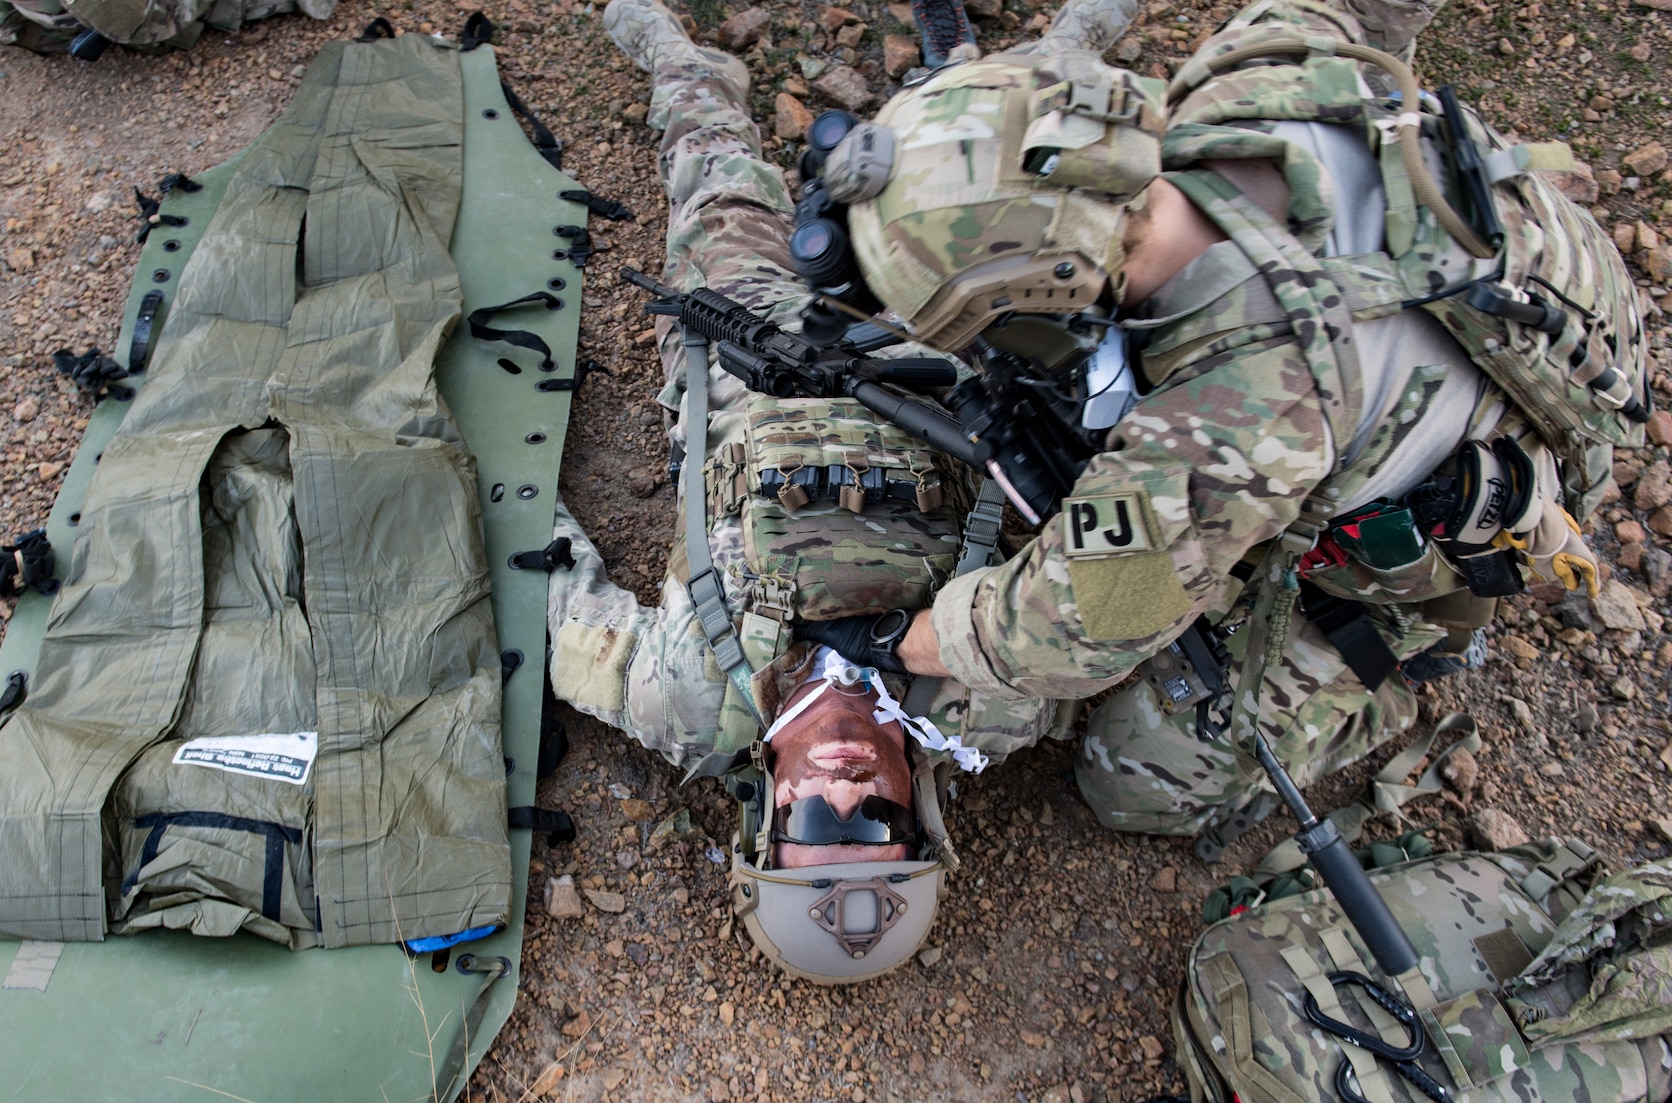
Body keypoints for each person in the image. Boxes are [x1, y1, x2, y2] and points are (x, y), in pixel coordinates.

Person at [548, 0, 1647, 980]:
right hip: (1503, 351)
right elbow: (1106, 600)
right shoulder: (1014, 691)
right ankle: (1038, 60)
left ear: (765, 817)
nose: (844, 784)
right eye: (872, 817)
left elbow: (555, 603)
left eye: (818, 823)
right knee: (991, 199)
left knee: (718, 181)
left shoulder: (698, 696)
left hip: (756, 371)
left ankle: (702, 63)